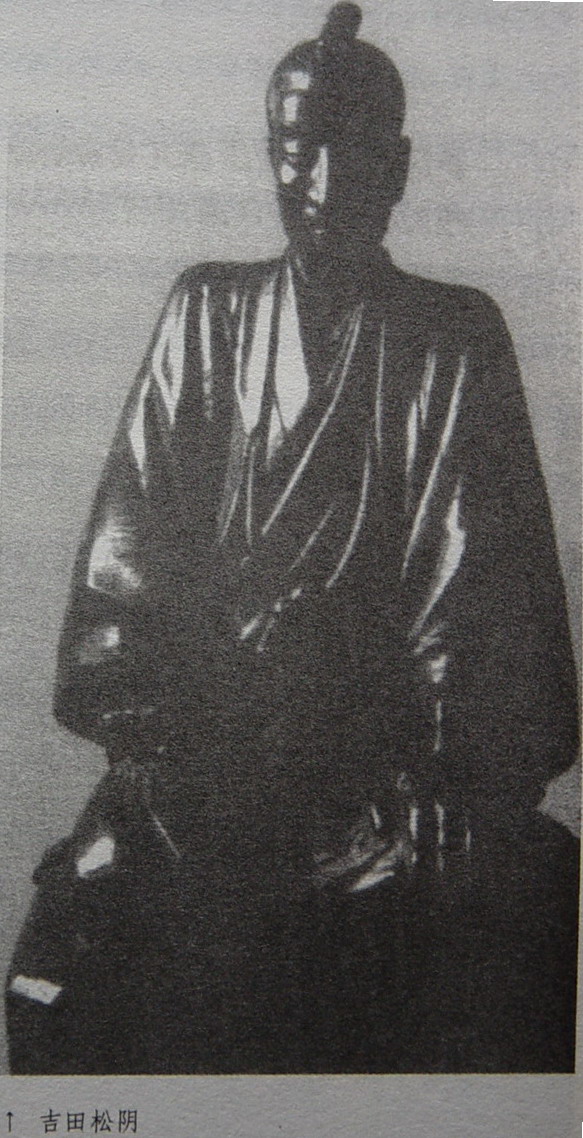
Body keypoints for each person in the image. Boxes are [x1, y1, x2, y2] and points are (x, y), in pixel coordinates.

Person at [7, 3, 579, 1074]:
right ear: (269, 153)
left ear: (397, 167)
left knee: (499, 899)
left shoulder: (452, 339)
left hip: (386, 772)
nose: (321, 181)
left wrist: (442, 757)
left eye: (351, 151)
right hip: (211, 761)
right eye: (294, 146)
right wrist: (196, 694)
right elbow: (123, 590)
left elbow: (485, 603)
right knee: (78, 931)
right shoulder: (205, 316)